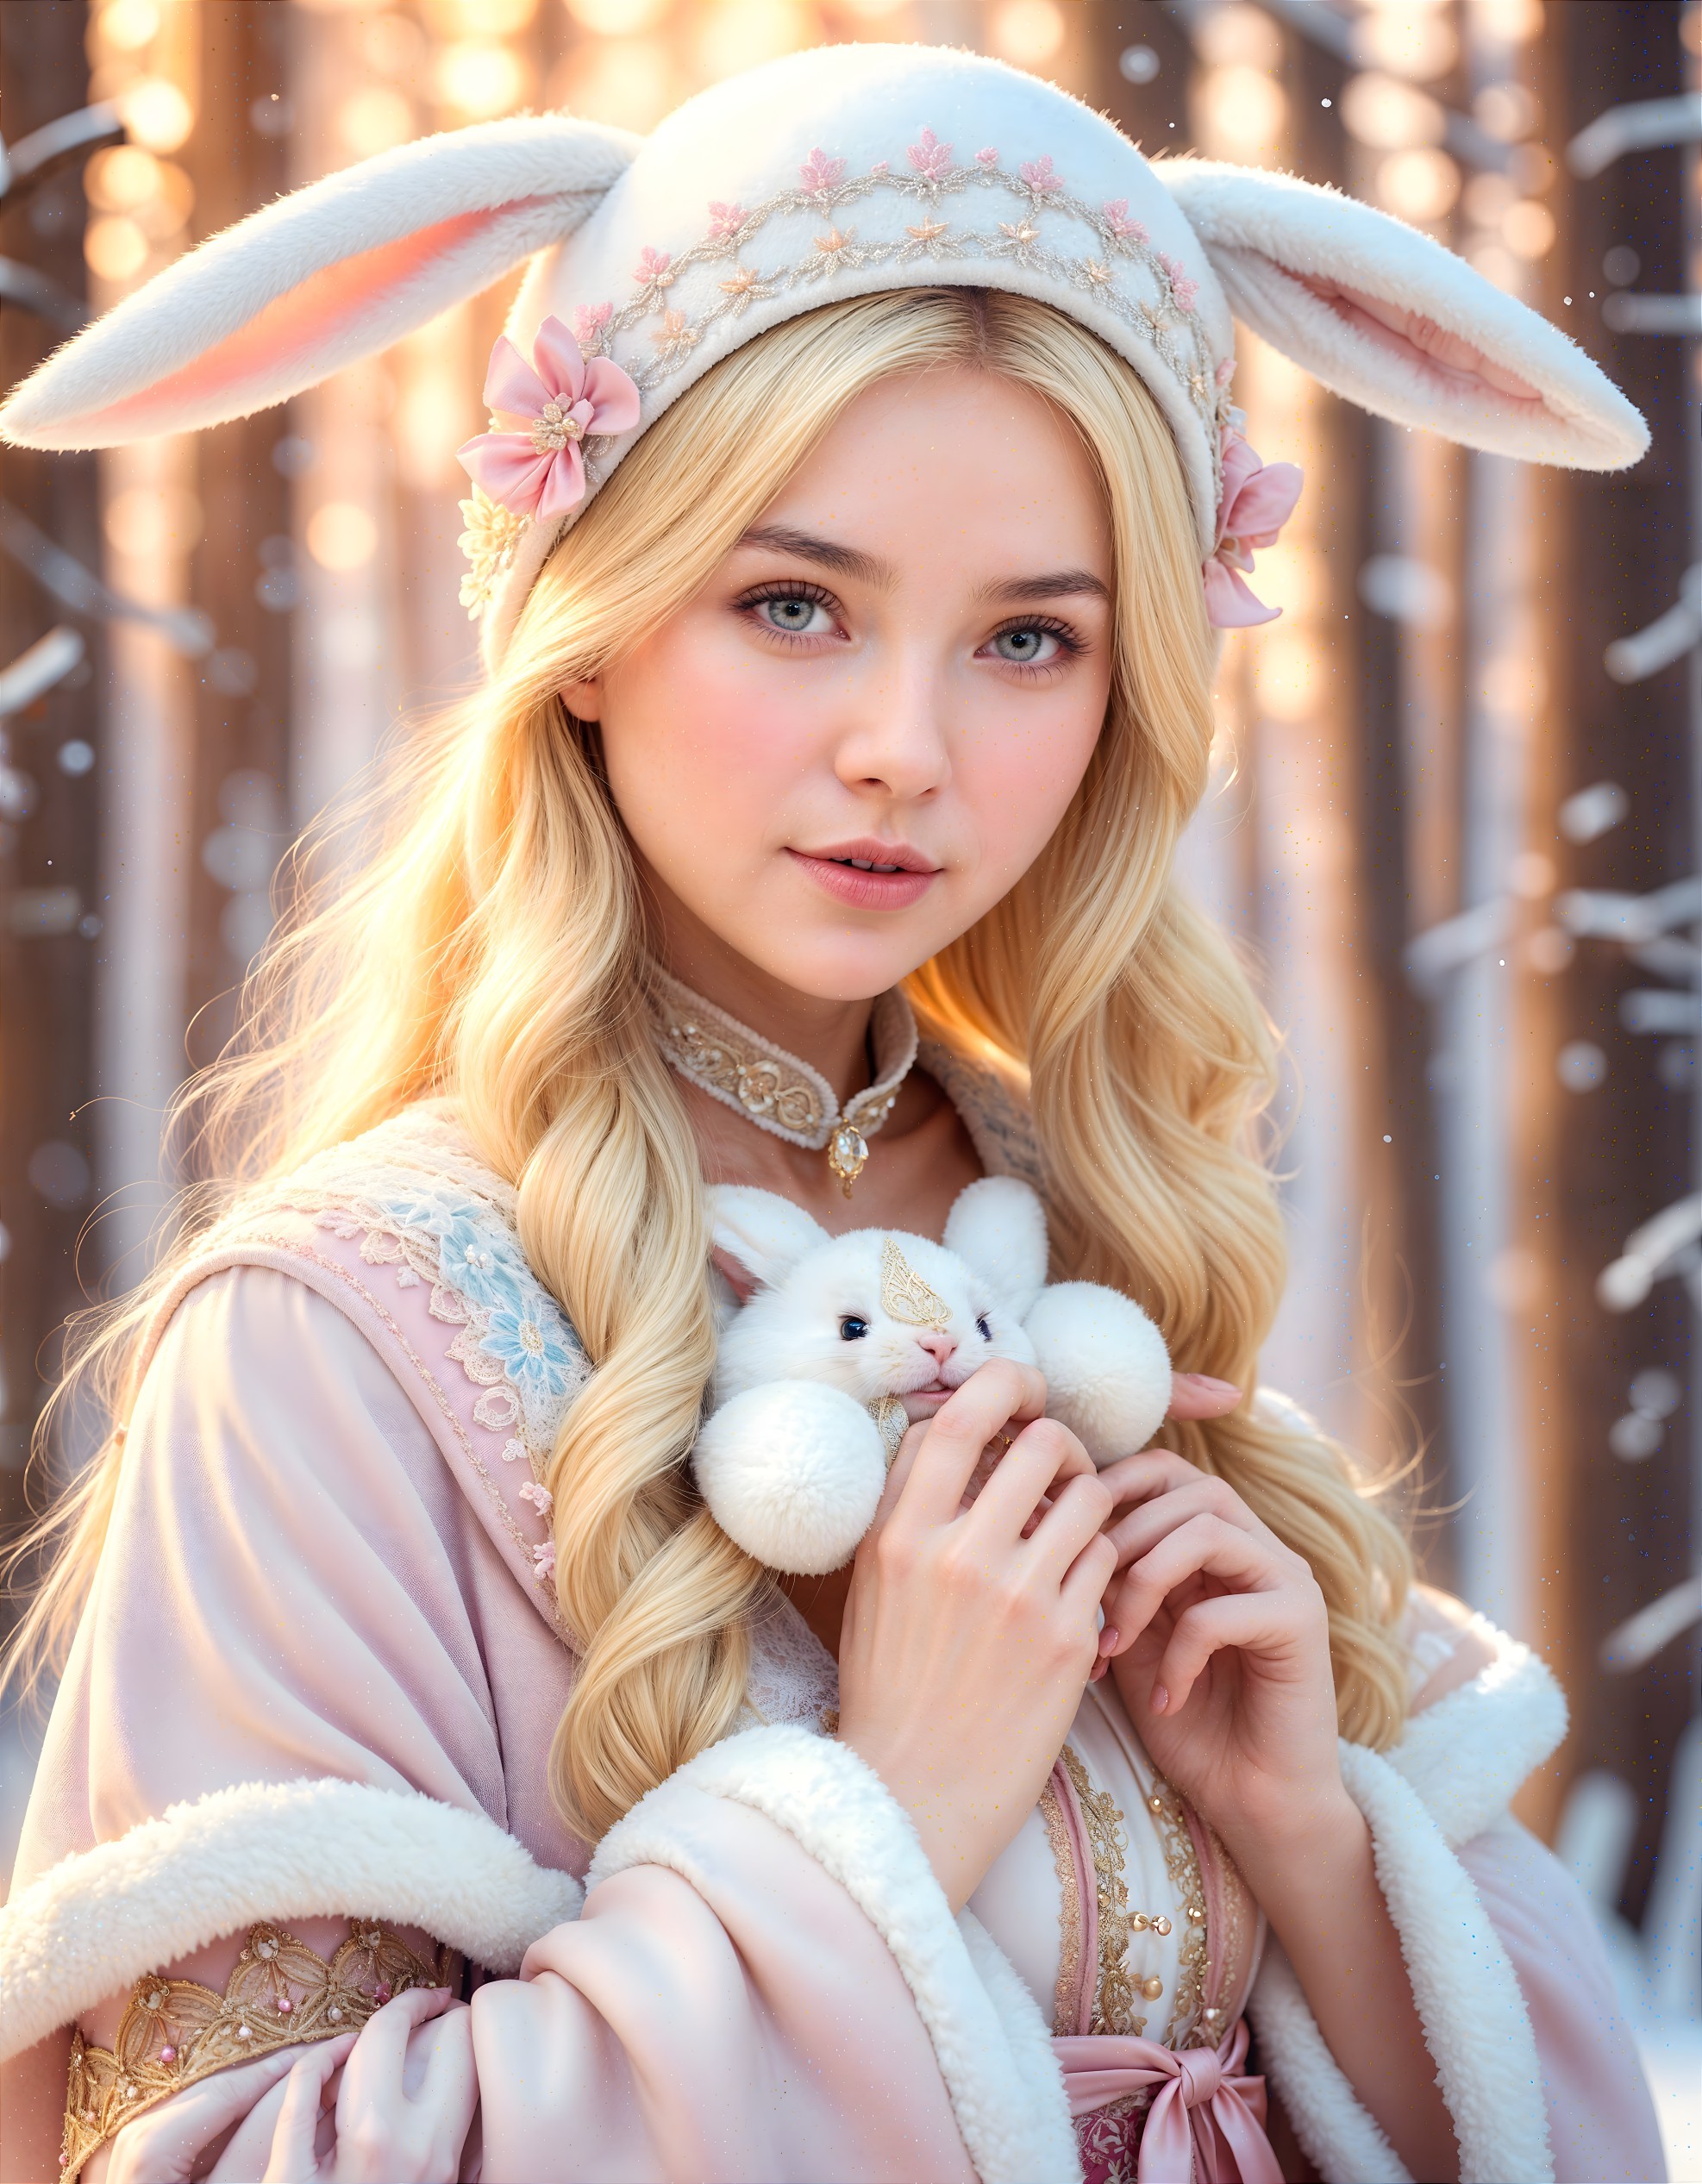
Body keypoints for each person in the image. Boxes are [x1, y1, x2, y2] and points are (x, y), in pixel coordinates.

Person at [0, 41, 1668, 2184]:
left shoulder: (1100, 1257)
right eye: (797, 603)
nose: (909, 744)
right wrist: (879, 1810)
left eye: (1029, 640)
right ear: (583, 621)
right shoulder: (333, 1345)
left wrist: (1311, 1839)